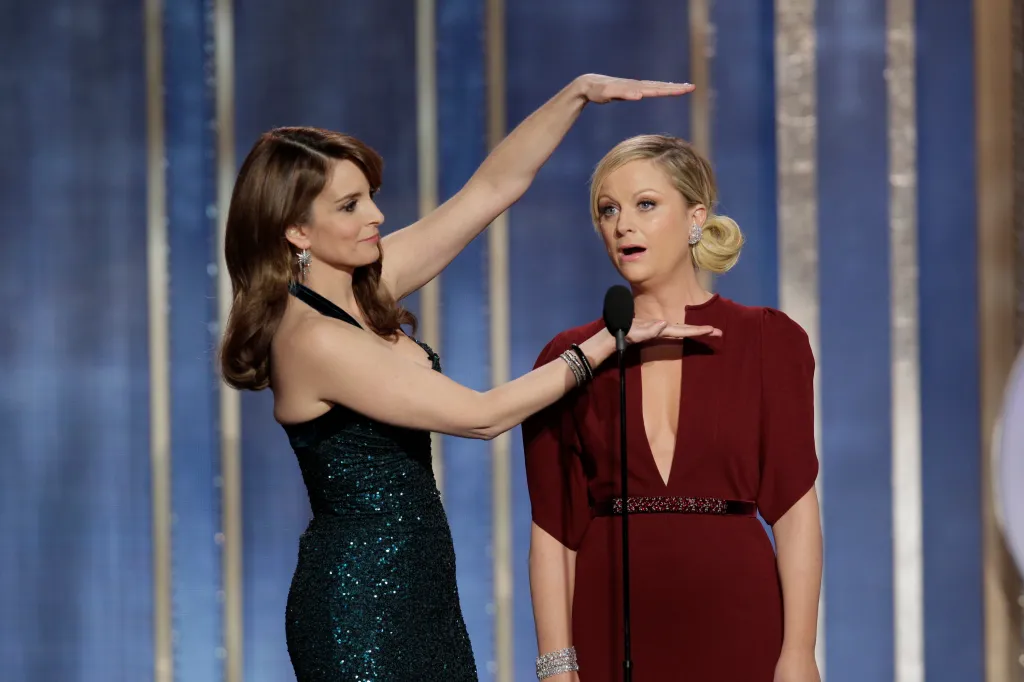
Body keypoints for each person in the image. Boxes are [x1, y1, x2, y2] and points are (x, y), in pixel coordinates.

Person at [218, 77, 718, 682]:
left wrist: (577, 97)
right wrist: (610, 342)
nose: (376, 215)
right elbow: (482, 416)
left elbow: (491, 189)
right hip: (360, 603)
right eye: (349, 206)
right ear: (297, 230)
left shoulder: (365, 285)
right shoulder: (313, 338)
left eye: (370, 196)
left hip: (420, 584)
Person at [523, 134, 823, 682]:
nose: (622, 225)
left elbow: (796, 509)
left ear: (695, 218)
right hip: (608, 623)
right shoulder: (569, 359)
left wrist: (798, 652)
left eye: (645, 204)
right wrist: (555, 665)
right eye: (607, 210)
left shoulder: (766, 340)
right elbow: (553, 529)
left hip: (739, 619)